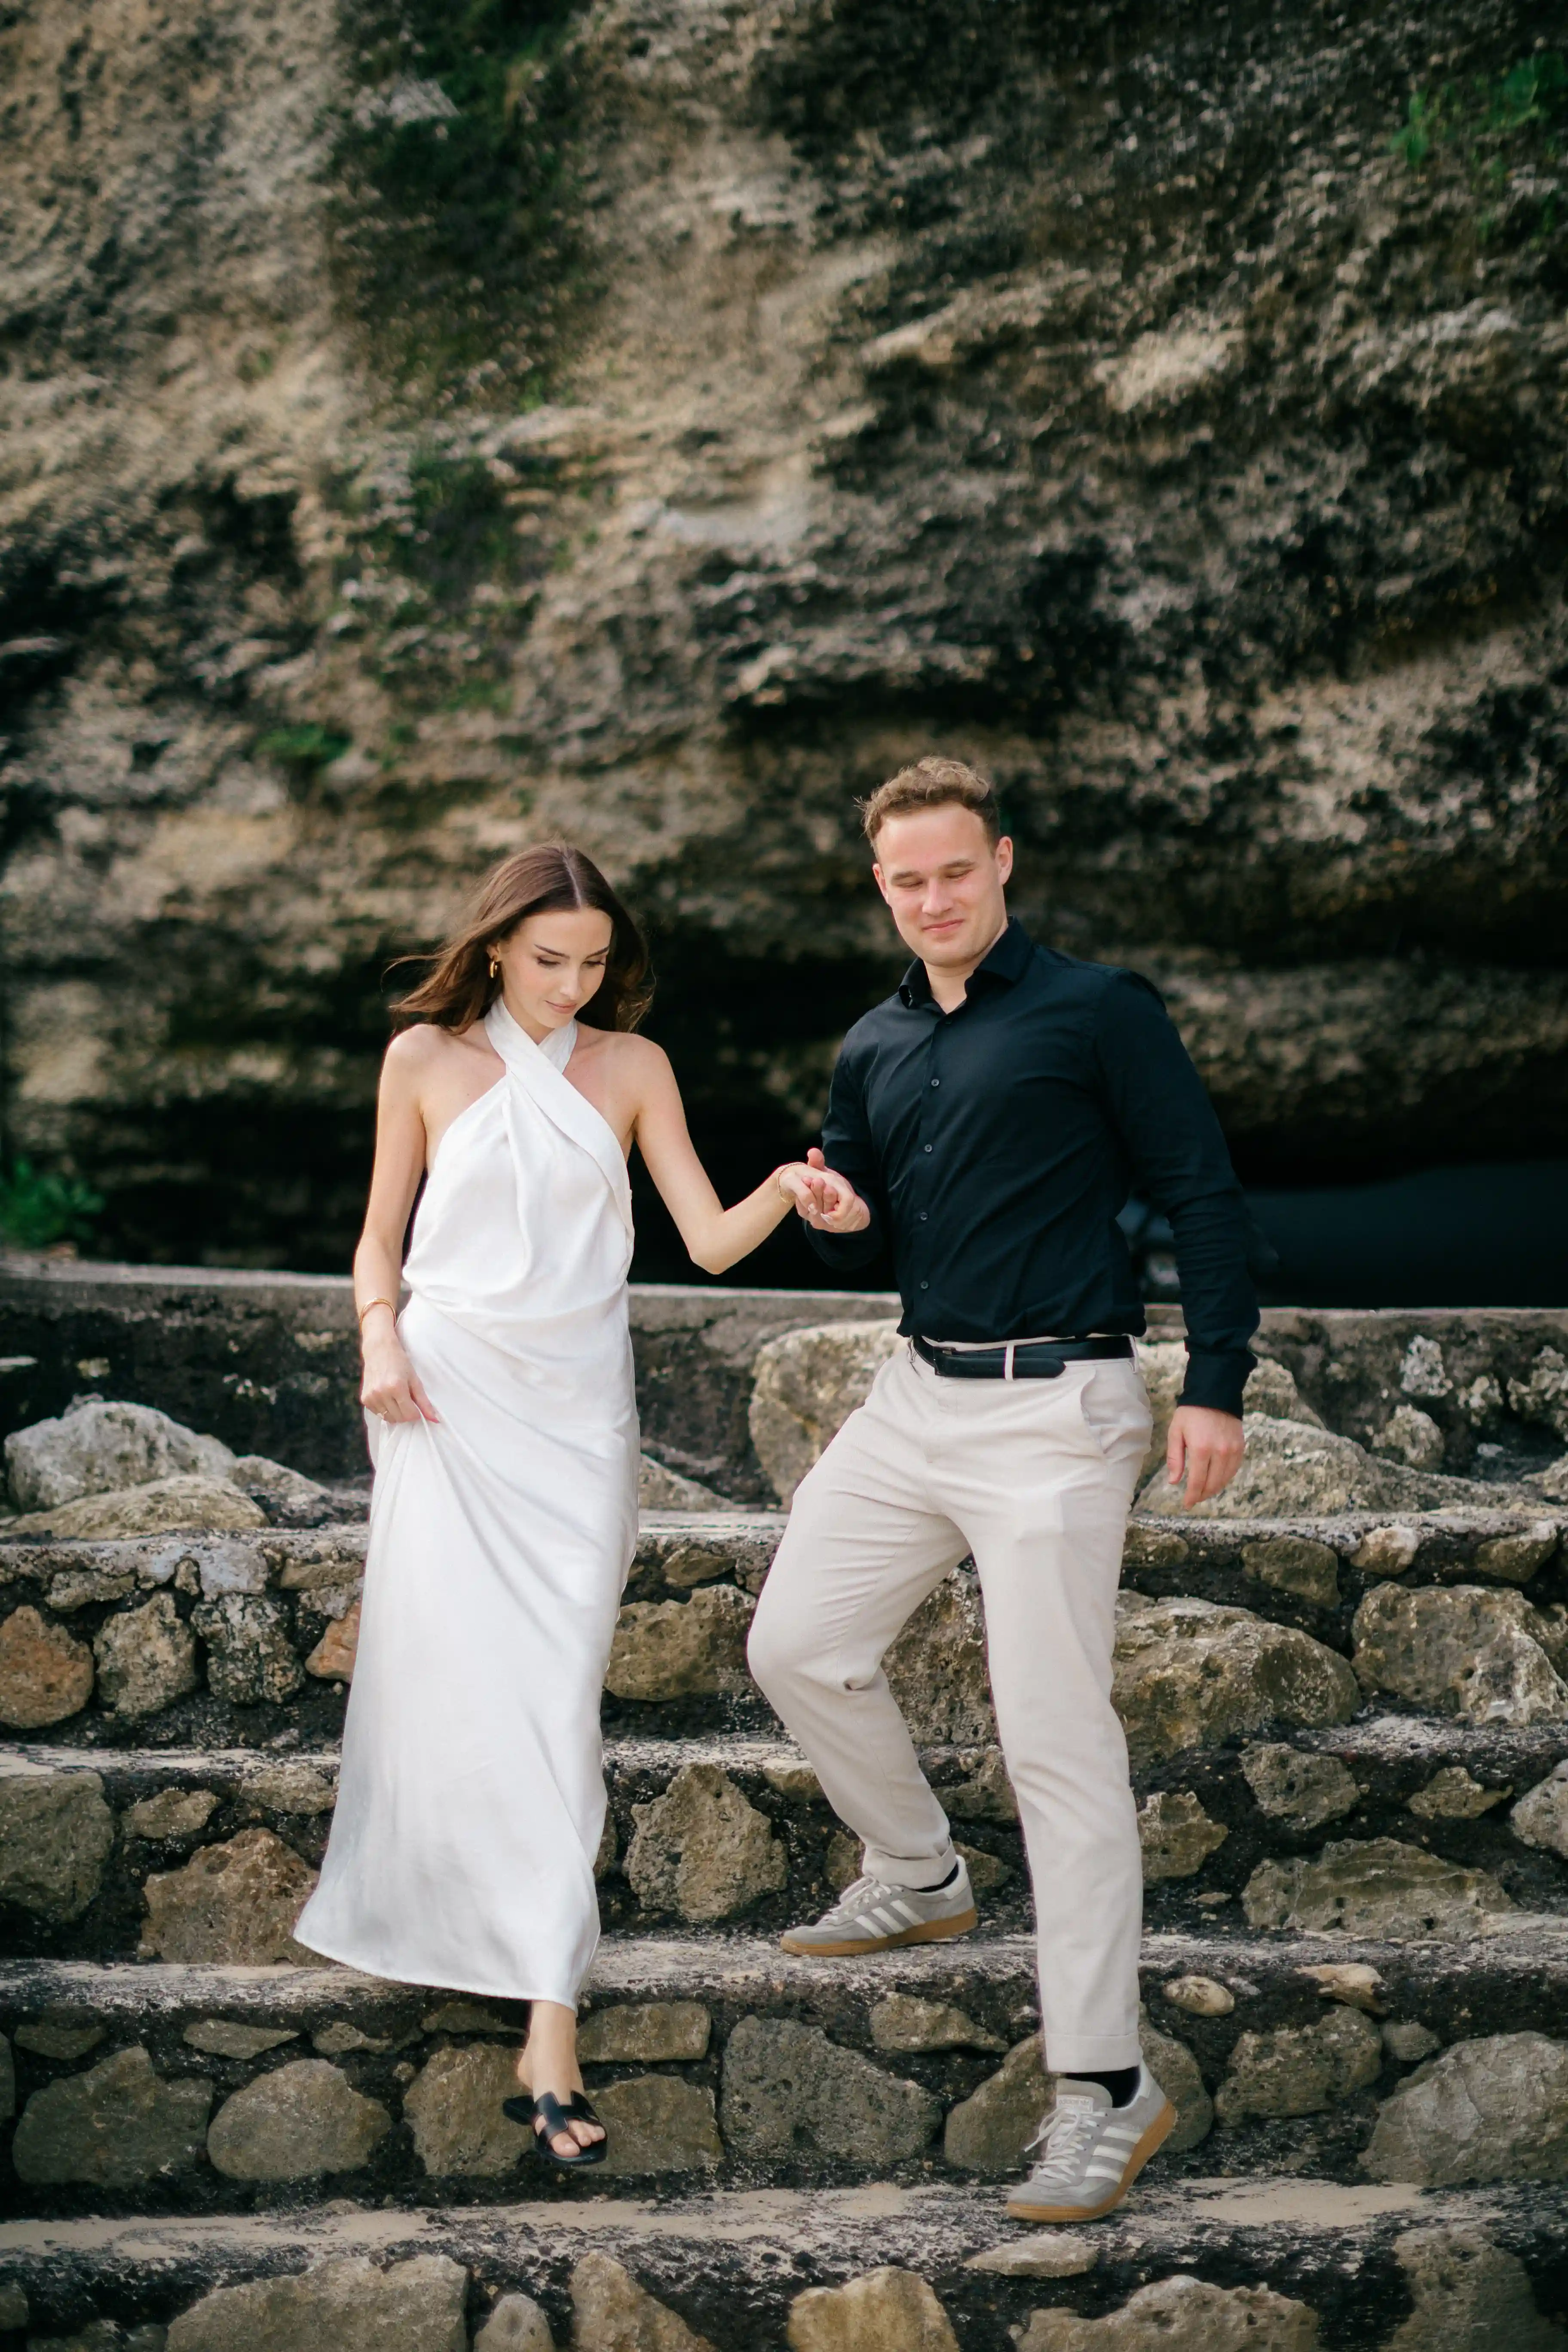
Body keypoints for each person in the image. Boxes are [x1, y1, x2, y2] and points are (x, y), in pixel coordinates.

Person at [294, 843, 862, 2168]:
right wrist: (379, 1339)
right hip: (445, 1401)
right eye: (549, 960)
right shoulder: (422, 1062)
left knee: (554, 1696)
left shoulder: (634, 1069)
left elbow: (709, 1240)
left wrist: (791, 1187)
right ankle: (540, 2014)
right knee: (452, 1682)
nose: (572, 984)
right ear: (496, 947)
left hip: (573, 1423)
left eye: (594, 963)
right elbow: (380, 1234)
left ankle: (541, 1983)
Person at [746, 757, 1257, 2224]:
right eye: (905, 881)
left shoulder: (1100, 1011)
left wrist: (1212, 1380)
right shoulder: (874, 1042)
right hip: (916, 1398)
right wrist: (837, 1207)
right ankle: (917, 1868)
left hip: (1062, 1409)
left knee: (1055, 1741)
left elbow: (1204, 1192)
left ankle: (1106, 2086)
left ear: (1004, 862)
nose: (931, 900)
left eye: (953, 872)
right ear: (881, 886)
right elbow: (859, 1202)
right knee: (795, 1645)